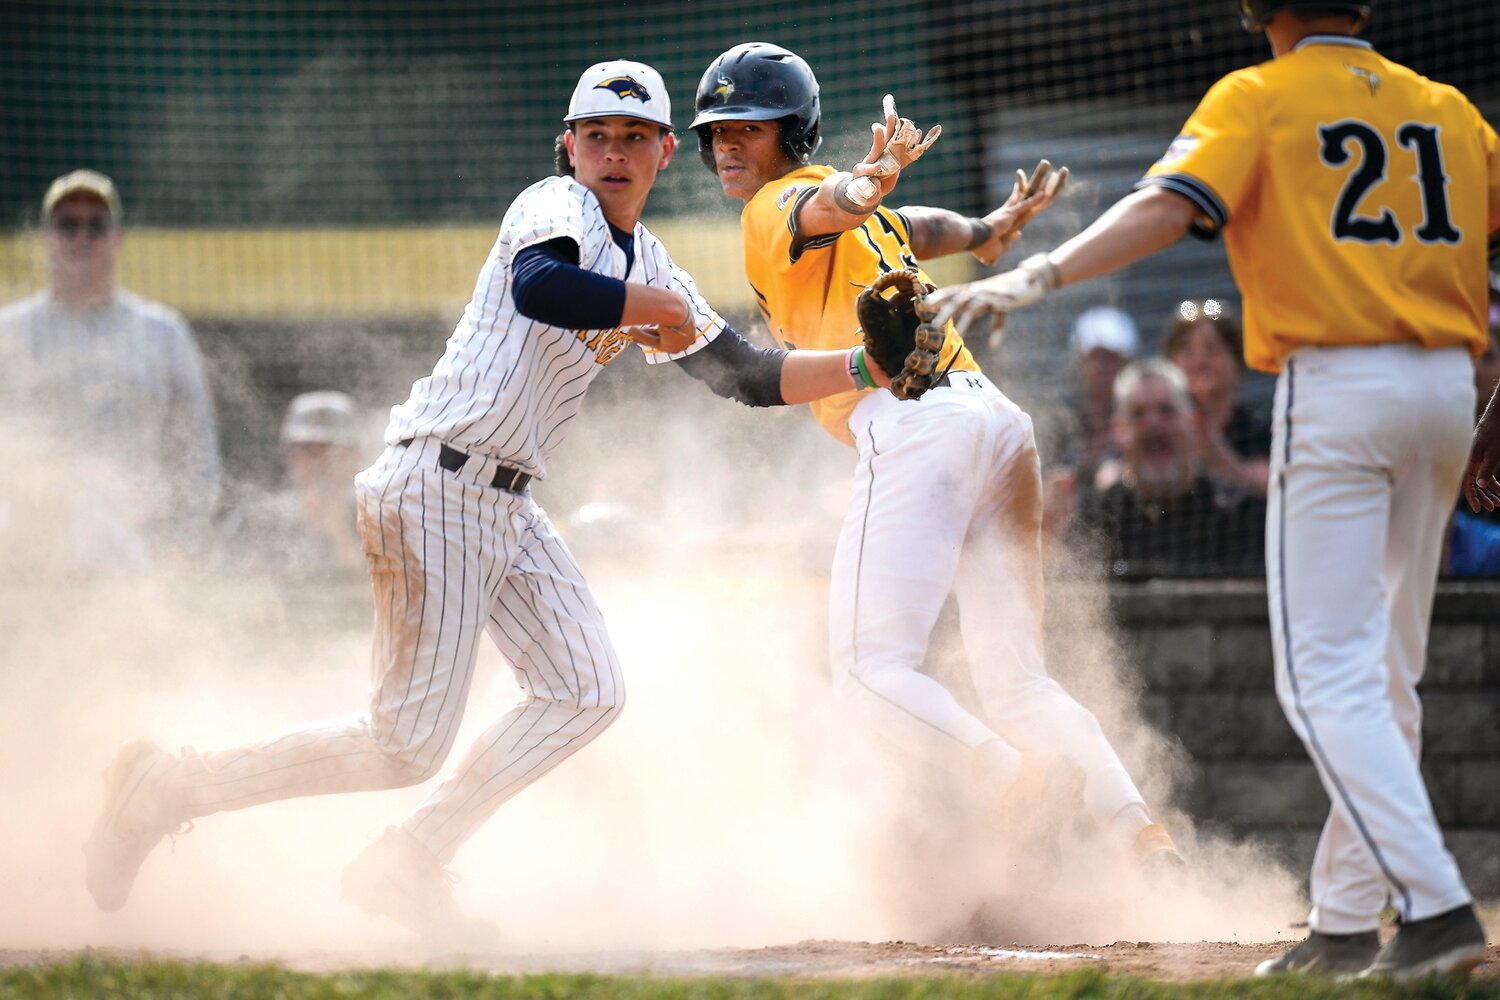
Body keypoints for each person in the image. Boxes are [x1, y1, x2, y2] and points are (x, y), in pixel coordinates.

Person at [83, 59, 894, 946]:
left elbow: (742, 374)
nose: (612, 153)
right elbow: (538, 287)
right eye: (595, 135)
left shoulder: (652, 262)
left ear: (666, 151)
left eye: (632, 138)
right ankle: (172, 787)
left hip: (505, 503)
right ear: (570, 145)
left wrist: (867, 366)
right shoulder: (552, 206)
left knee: (587, 690)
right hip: (433, 481)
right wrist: (644, 303)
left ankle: (410, 859)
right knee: (403, 745)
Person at [926, 0, 1498, 979]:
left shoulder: (1259, 94)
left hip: (1340, 387)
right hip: (1447, 390)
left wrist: (1040, 274)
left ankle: (1437, 905)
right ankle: (1349, 918)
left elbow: (1165, 206)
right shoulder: (1448, 106)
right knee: (1386, 674)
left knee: (1321, 679)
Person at [690, 42, 1182, 881]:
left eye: (749, 127)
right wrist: (988, 232)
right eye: (716, 130)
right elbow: (918, 225)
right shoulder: (857, 216)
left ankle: (1021, 783)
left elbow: (831, 205)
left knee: (867, 670)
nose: (728, 144)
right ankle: (1146, 840)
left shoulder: (777, 205)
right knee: (1019, 681)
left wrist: (861, 183)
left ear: (792, 134)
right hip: (994, 421)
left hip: (913, 420)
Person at [0, 169, 220, 559]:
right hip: (29, 550)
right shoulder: (8, 334)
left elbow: (197, 455)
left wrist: (181, 545)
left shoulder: (162, 332)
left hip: (136, 547)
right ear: (46, 239)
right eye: (67, 225)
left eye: (96, 226)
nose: (81, 238)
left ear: (117, 240)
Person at [1070, 359, 1266, 579]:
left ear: (1193, 422)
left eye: (1167, 410)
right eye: (1138, 414)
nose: (1153, 423)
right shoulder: (1094, 520)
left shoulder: (1239, 516)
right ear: (1118, 431)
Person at [218, 390, 369, 582]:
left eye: (331, 450)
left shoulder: (379, 520)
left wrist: (340, 535)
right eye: (307, 450)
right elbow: (222, 589)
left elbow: (391, 600)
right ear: (288, 455)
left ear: (356, 457)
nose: (318, 462)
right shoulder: (257, 521)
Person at [1161, 298, 1270, 495]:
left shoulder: (1259, 430)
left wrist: (1211, 445)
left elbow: (1271, 485)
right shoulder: (1154, 427)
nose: (1199, 362)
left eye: (1211, 349)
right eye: (1186, 351)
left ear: (1236, 363)